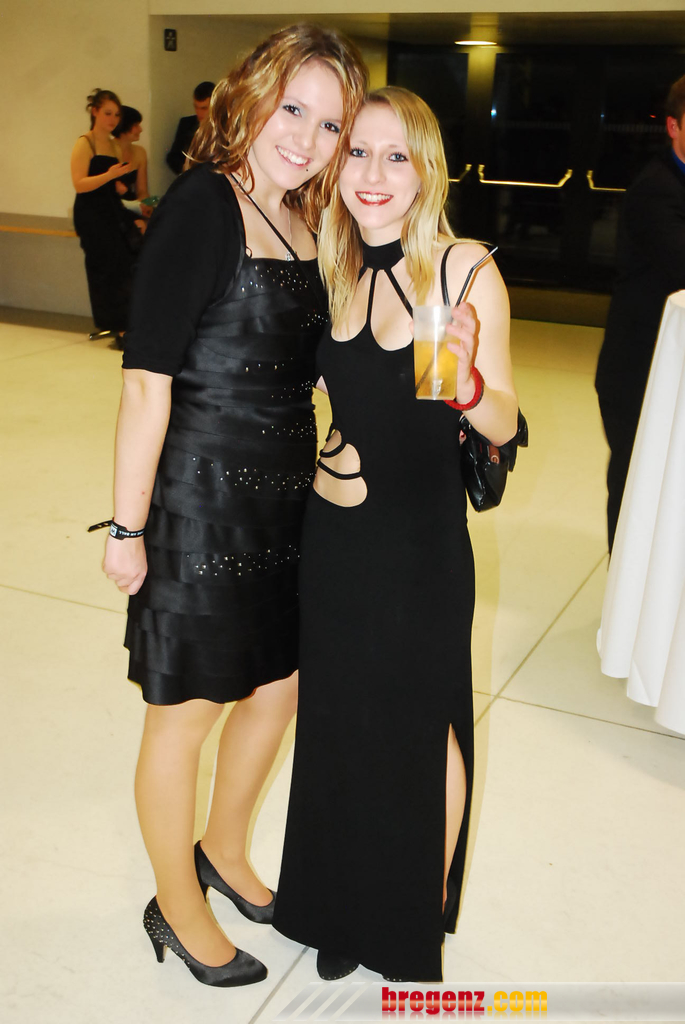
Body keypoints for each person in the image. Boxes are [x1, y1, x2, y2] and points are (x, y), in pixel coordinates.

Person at [97, 24, 367, 988]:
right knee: (187, 715)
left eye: (329, 124)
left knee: (277, 689)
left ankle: (220, 849)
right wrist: (128, 528)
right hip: (199, 508)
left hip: (283, 510)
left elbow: (304, 364)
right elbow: (146, 382)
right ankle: (175, 903)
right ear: (249, 97)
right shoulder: (202, 206)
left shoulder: (300, 215)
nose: (306, 138)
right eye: (292, 108)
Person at [273, 87, 517, 983]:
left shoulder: (458, 269)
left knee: (420, 727)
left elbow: (502, 421)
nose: (373, 174)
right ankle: (339, 908)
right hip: (334, 545)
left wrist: (466, 384)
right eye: (358, 153)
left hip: (418, 547)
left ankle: (413, 918)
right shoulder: (329, 264)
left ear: (425, 170)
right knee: (340, 726)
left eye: (396, 156)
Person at [595, 73, 685, 553]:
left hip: (665, 369)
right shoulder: (657, 190)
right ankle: (623, 582)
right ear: (673, 126)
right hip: (636, 373)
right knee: (634, 481)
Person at [71, 89, 146, 342]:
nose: (113, 119)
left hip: (111, 207)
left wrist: (119, 185)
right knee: (105, 267)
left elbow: (113, 183)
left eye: (116, 115)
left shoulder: (114, 145)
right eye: (107, 113)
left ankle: (125, 323)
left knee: (125, 262)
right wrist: (109, 176)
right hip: (91, 212)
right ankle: (116, 326)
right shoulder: (85, 143)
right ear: (95, 112)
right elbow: (79, 184)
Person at [166, 81, 216, 175]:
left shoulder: (226, 128)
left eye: (204, 108)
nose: (198, 113)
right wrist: (186, 170)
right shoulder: (187, 124)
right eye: (196, 107)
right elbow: (173, 157)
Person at [111, 105, 150, 209]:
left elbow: (142, 191)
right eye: (136, 125)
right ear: (123, 126)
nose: (140, 129)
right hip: (109, 206)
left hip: (131, 205)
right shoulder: (106, 149)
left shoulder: (140, 152)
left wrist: (146, 207)